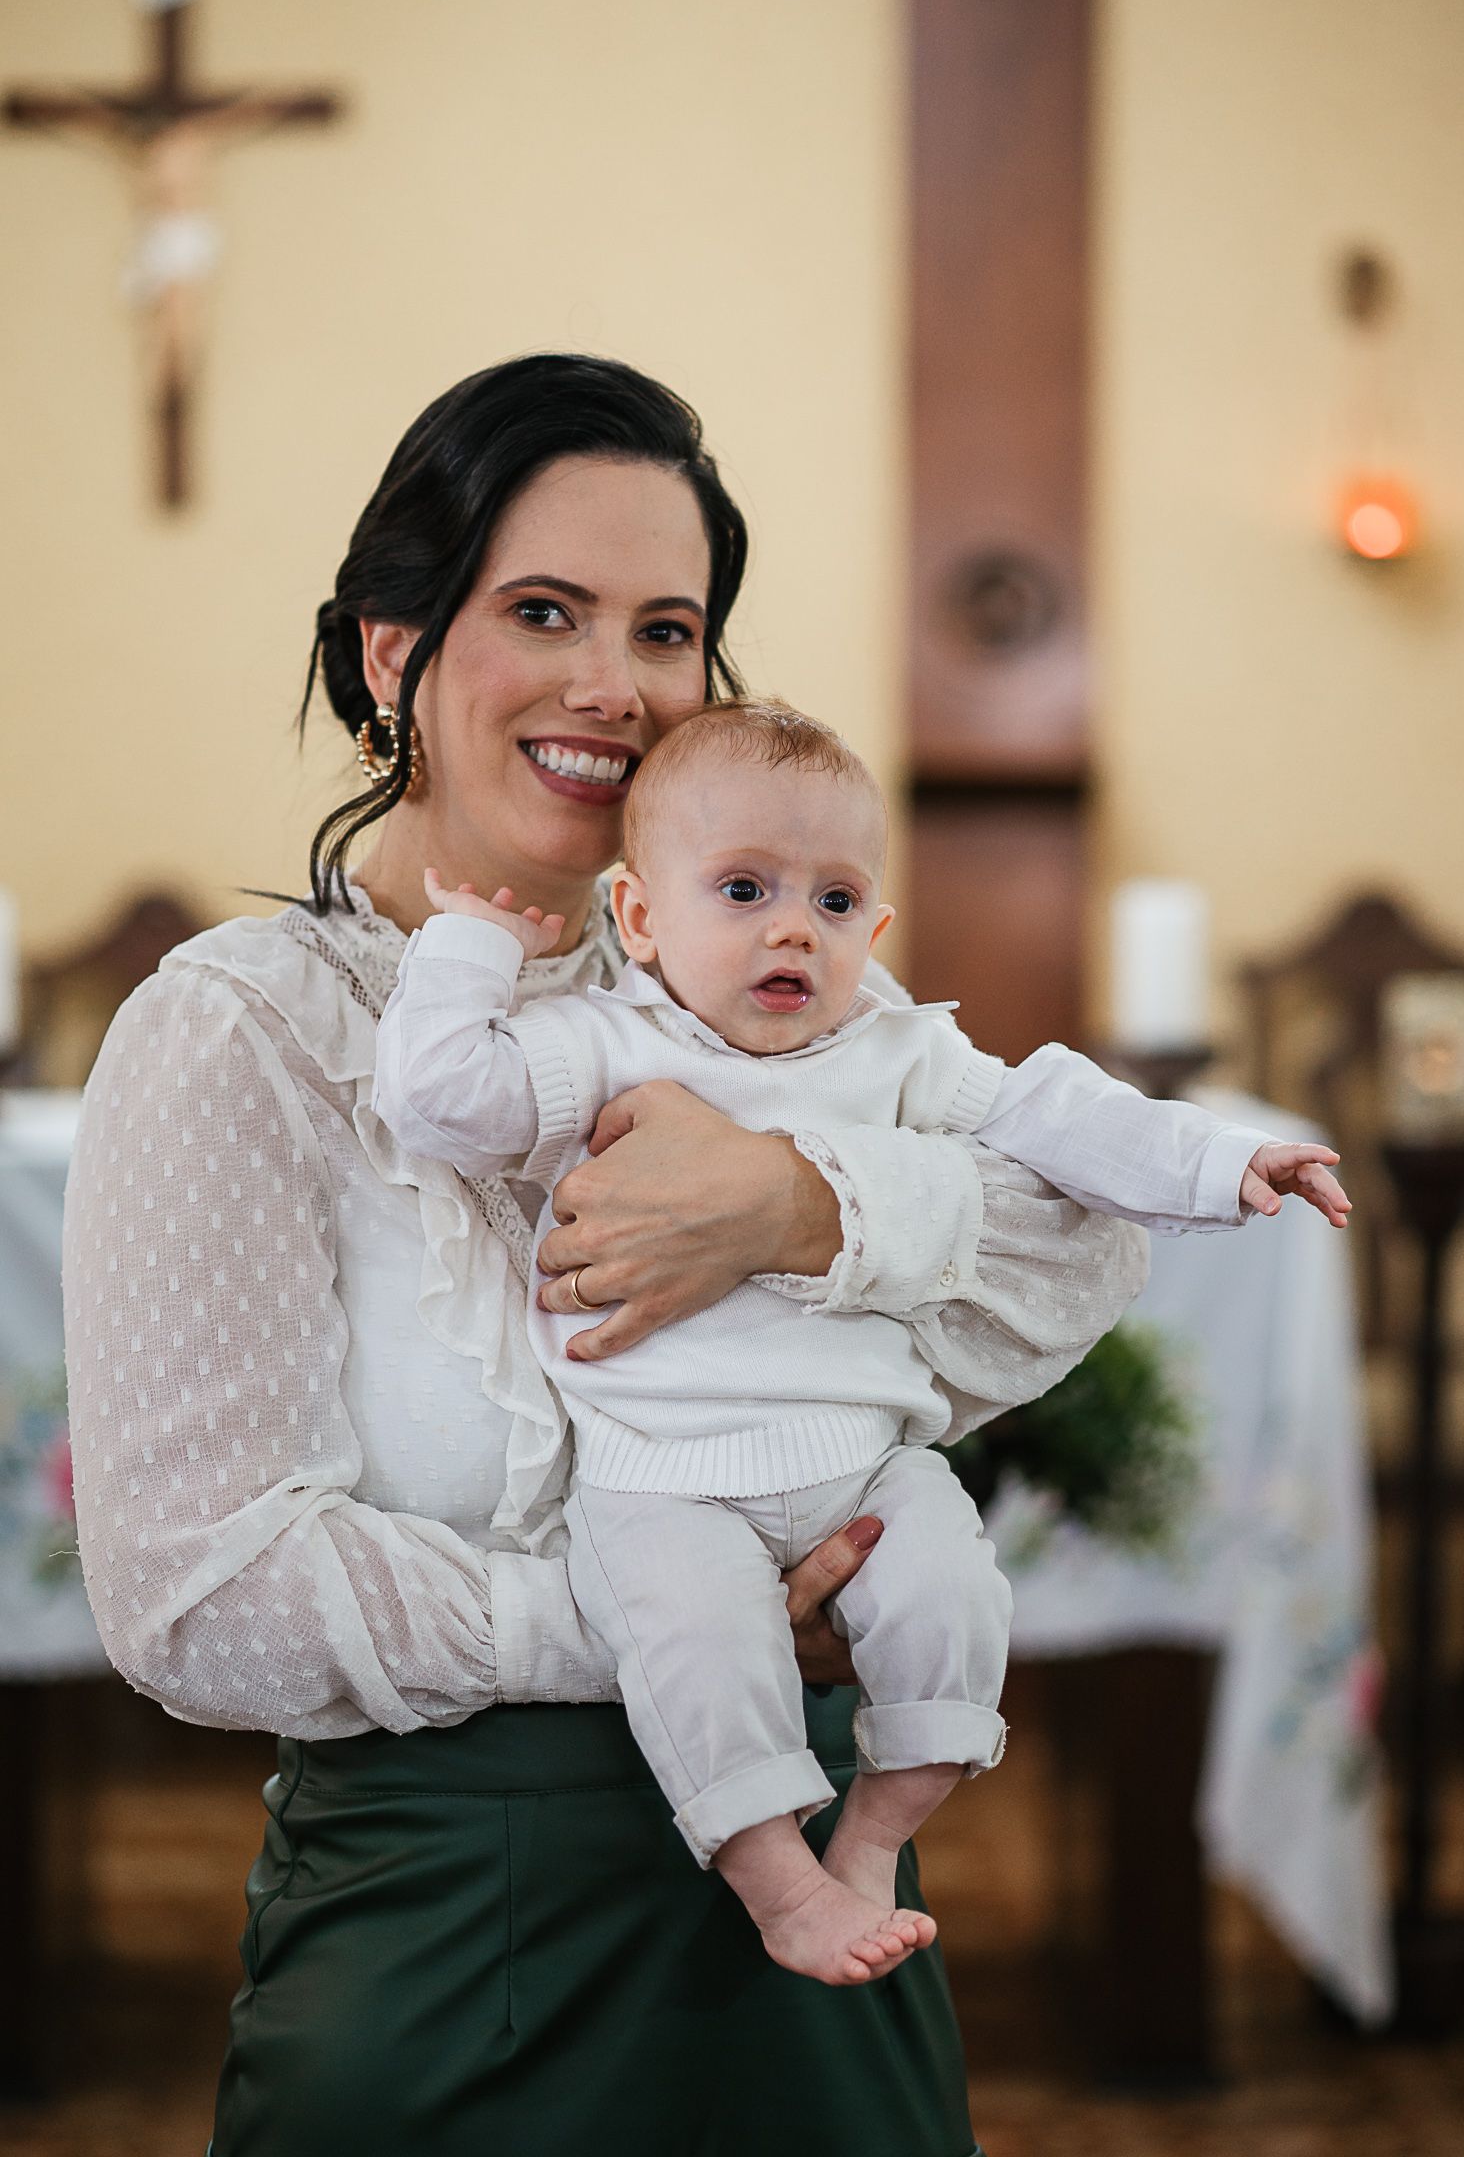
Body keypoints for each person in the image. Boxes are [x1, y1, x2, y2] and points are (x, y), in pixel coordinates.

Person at [63, 355, 1151, 2157]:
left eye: (668, 630)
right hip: (449, 1944)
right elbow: (193, 1592)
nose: (614, 686)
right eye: (544, 611)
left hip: (819, 1937)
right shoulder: (246, 1034)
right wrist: (667, 1617)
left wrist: (802, 1209)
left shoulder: (767, 991)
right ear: (391, 652)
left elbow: (1080, 1245)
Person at [371, 696, 1350, 1990]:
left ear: (875, 931)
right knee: (698, 1653)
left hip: (865, 1464)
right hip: (663, 1476)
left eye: (836, 903)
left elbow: (1060, 1118)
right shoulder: (601, 1043)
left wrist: (1228, 1162)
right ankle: (780, 1882)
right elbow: (437, 1100)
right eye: (742, 889)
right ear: (640, 917)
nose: (794, 926)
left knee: (956, 1606)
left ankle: (874, 1837)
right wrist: (468, 952)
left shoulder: (892, 1049)